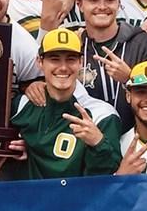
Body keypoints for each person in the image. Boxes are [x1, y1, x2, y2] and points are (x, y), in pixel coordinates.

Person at [11, 29, 122, 180]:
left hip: (78, 202)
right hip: (27, 201)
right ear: (39, 62)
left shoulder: (102, 115)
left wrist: (98, 143)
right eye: (54, 59)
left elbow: (107, 179)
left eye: (70, 59)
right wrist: (11, 148)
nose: (63, 67)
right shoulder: (21, 105)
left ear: (81, 63)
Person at [62, 0, 147, 127]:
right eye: (93, 0)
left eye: (110, 0)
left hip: (136, 137)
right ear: (80, 5)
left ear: (119, 4)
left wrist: (130, 78)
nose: (102, 7)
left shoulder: (145, 44)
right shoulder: (72, 47)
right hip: (85, 141)